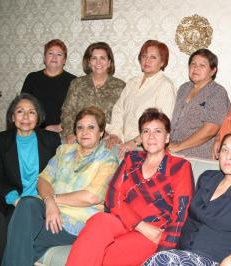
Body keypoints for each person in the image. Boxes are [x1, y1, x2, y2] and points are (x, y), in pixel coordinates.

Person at [66, 108, 194, 266]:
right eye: (146, 131)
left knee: (107, 256)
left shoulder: (180, 167)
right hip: (124, 221)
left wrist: (163, 253)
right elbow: (112, 199)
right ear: (141, 137)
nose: (151, 136)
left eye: (157, 131)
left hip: (154, 233)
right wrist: (139, 225)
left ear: (167, 137)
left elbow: (180, 216)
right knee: (98, 221)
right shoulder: (131, 159)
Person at [1, 106, 119, 266]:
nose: (85, 132)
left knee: (17, 234)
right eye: (80, 127)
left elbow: (92, 196)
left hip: (75, 221)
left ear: (101, 133)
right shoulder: (64, 150)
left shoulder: (108, 159)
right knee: (26, 202)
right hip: (47, 209)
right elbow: (42, 179)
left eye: (91, 127)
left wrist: (54, 200)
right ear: (75, 132)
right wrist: (49, 202)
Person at [144, 131, 231, 266]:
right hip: (177, 253)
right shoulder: (206, 178)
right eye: (224, 150)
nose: (228, 156)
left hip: (212, 259)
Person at [0, 94, 60, 266]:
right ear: (12, 117)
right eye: (20, 111)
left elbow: (60, 173)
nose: (26, 117)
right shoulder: (0, 140)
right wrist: (15, 200)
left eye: (31, 112)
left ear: (38, 117)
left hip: (32, 202)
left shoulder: (52, 140)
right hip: (2, 194)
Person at [105, 40, 176, 156]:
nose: (147, 60)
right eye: (144, 56)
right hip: (121, 144)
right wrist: (115, 135)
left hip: (145, 148)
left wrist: (135, 142)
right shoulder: (132, 82)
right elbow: (118, 109)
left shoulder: (165, 86)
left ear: (162, 62)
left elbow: (161, 123)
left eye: (153, 57)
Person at [169, 49, 230, 159]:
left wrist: (179, 146)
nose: (196, 68)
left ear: (213, 71)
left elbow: (211, 129)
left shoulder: (217, 92)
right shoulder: (184, 88)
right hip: (172, 151)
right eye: (193, 64)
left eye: (202, 65)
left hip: (198, 154)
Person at [61, 42, 126, 143]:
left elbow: (123, 116)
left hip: (107, 139)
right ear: (89, 62)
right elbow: (67, 111)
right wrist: (70, 133)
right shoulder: (77, 83)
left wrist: (115, 135)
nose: (98, 63)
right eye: (94, 58)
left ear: (109, 62)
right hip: (79, 137)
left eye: (102, 58)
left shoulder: (120, 86)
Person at [21, 39, 76, 132]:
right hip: (33, 131)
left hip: (62, 133)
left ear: (64, 60)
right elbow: (22, 106)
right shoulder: (32, 78)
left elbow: (78, 111)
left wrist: (61, 126)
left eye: (59, 54)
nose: (54, 57)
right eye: (50, 53)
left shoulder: (73, 81)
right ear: (44, 58)